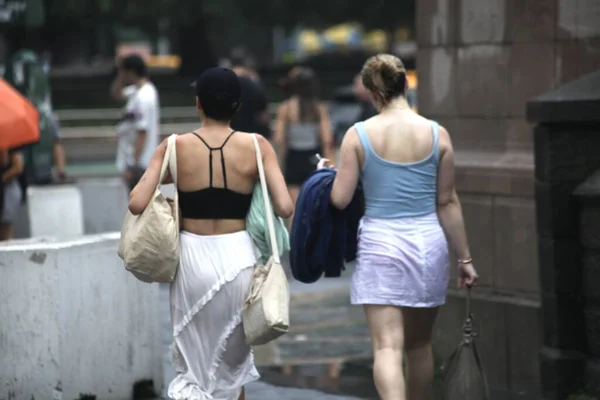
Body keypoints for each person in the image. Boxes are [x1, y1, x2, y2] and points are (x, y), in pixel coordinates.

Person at [317, 54, 479, 400]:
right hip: (427, 244)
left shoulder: (358, 135)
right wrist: (464, 259)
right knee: (419, 346)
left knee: (387, 347)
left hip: (381, 244)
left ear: (371, 91)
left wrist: (327, 176)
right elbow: (448, 202)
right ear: (405, 84)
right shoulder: (437, 133)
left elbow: (341, 199)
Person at [128, 67, 293, 400]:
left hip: (191, 260)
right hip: (239, 258)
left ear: (198, 104)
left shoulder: (174, 147)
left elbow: (137, 203)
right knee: (231, 368)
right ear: (237, 106)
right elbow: (285, 207)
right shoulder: (257, 146)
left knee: (194, 367)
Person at [273, 67, 335, 225]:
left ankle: (296, 240)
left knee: (295, 205)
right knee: (315, 201)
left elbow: (280, 139)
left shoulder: (285, 108)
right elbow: (326, 139)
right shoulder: (319, 108)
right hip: (314, 157)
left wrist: (280, 164)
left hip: (294, 157)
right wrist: (331, 165)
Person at [110, 54, 160, 192]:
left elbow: (142, 132)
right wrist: (120, 73)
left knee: (139, 208)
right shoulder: (138, 91)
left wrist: (133, 166)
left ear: (131, 71)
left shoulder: (144, 96)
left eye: (123, 71)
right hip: (136, 163)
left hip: (140, 165)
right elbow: (116, 94)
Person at [229, 53, 271, 140]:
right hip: (252, 135)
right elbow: (263, 116)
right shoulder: (255, 81)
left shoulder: (221, 81)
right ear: (246, 63)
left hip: (230, 135)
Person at [0, 148, 24, 240]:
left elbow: (18, 167)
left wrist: (3, 178)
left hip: (7, 190)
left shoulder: (11, 147)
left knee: (6, 228)